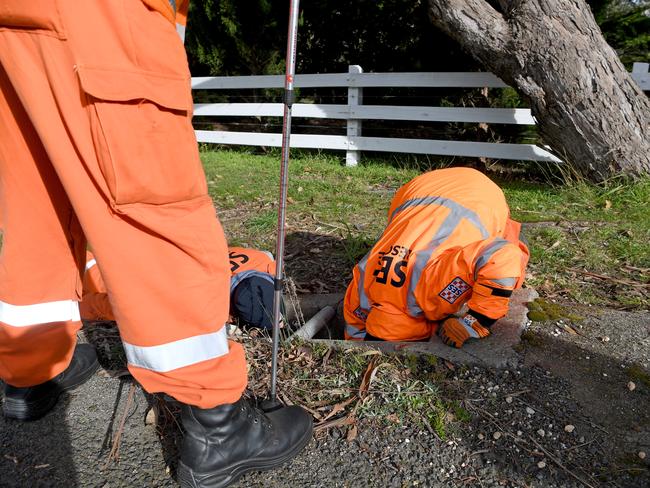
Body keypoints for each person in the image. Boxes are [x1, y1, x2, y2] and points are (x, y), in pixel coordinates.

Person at [0, 2, 311, 487]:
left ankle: (29, 370)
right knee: (155, 207)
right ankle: (218, 427)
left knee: (38, 203)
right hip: (99, 18)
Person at [343, 168, 530, 348]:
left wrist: (475, 322)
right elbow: (354, 324)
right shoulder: (363, 289)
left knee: (511, 272)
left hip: (482, 197)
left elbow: (502, 256)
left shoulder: (433, 288)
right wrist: (356, 347)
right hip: (415, 190)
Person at [82, 246, 278, 331]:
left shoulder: (261, 260)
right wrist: (79, 308)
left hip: (151, 258)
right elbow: (122, 308)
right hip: (118, 279)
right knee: (86, 273)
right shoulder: (199, 302)